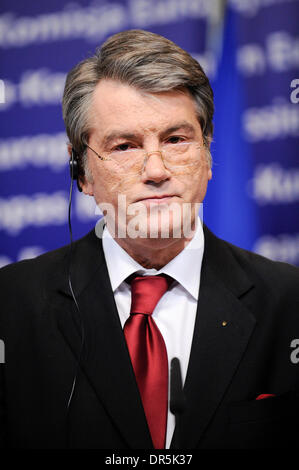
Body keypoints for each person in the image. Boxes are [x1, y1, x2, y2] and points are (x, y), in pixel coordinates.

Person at [0, 29, 298, 450]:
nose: (156, 170)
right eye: (125, 146)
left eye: (176, 140)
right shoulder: (10, 305)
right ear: (81, 172)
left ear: (207, 155)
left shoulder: (289, 301)